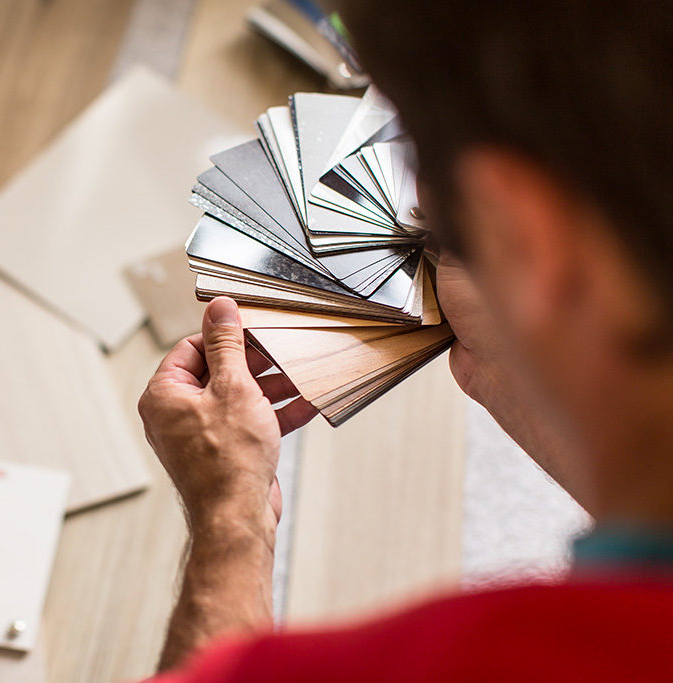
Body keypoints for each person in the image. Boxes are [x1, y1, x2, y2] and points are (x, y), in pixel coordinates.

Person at [136, 0, 673, 679]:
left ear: (524, 232)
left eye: (416, 156)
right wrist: (510, 366)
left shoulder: (460, 659)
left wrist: (230, 518)